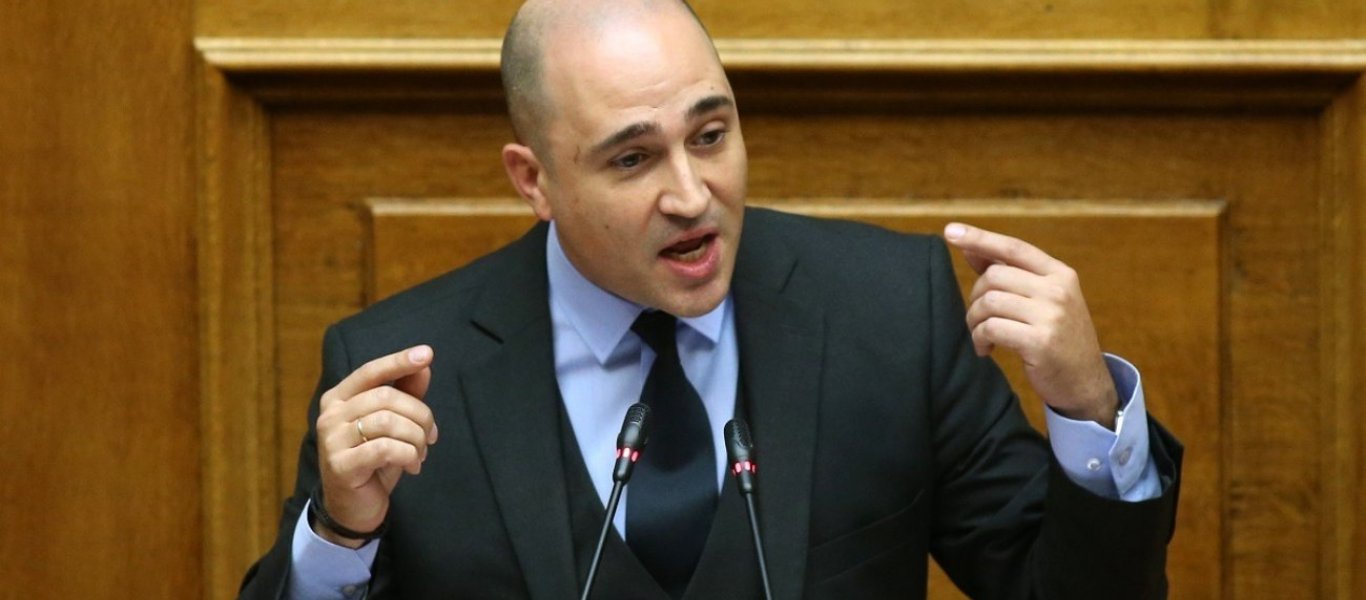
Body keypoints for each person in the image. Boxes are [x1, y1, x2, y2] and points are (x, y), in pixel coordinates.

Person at [239, 1, 1182, 598]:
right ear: (534, 180)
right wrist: (340, 534)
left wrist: (1087, 409)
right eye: (632, 158)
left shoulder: (890, 313)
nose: (692, 196)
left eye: (711, 135)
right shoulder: (405, 369)